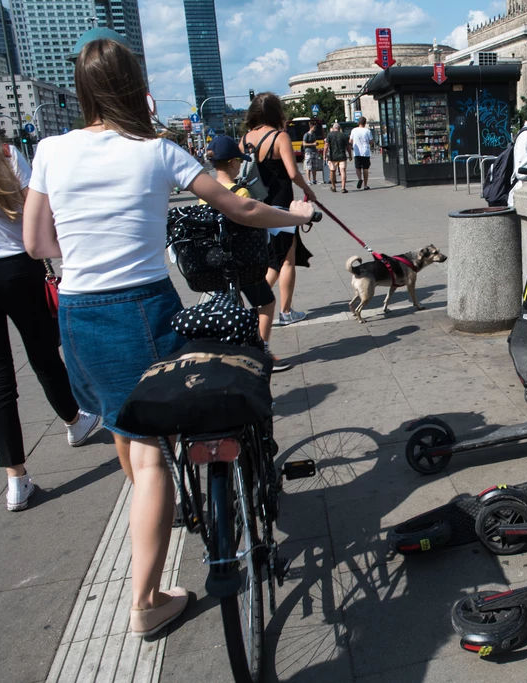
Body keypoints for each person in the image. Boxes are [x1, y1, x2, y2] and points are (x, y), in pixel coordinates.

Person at [22, 38, 315, 639]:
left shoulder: (51, 149)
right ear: (135, 85)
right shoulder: (158, 151)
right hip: (139, 307)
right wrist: (296, 216)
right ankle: (146, 600)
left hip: (77, 311)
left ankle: (153, 517)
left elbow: (35, 243)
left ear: (81, 90)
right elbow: (239, 209)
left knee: (125, 428)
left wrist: (83, 253)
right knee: (155, 449)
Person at [0, 97, 101, 512]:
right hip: (17, 267)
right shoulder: (6, 156)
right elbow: (38, 212)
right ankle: (74, 422)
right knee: (43, 355)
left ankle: (16, 480)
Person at [200, 135, 291, 372]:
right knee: (266, 302)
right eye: (238, 162)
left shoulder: (204, 193)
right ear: (232, 163)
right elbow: (252, 223)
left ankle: (227, 355)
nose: (240, 165)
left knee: (228, 306)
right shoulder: (240, 193)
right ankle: (260, 352)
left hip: (217, 262)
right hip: (243, 263)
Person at [240, 93, 317, 327]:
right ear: (277, 112)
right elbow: (292, 173)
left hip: (255, 204)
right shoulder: (279, 137)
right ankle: (280, 310)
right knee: (284, 260)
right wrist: (309, 191)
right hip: (281, 206)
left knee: (275, 256)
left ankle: (267, 305)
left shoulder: (244, 139)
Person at [325, 122, 351, 194]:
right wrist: (350, 154)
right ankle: (343, 188)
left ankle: (333, 187)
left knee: (332, 171)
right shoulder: (343, 135)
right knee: (343, 171)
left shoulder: (329, 135)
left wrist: (324, 154)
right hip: (342, 156)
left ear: (333, 128)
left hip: (332, 156)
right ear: (340, 129)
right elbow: (348, 147)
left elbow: (326, 145)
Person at [349, 117, 373, 190]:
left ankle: (359, 178)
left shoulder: (354, 130)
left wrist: (355, 143)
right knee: (365, 168)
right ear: (365, 123)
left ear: (358, 123)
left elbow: (350, 141)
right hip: (365, 152)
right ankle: (365, 185)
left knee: (358, 167)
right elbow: (371, 141)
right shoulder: (367, 131)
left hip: (357, 151)